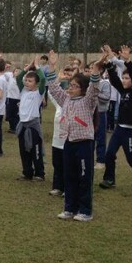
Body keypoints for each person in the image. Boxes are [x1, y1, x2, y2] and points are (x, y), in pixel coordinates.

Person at [46, 50, 103, 222]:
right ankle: (69, 208)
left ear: (83, 90)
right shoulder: (66, 100)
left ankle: (85, 210)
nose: (70, 88)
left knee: (84, 177)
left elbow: (94, 88)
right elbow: (54, 88)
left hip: (84, 143)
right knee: (69, 176)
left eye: (74, 86)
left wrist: (95, 69)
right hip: (68, 143)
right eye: (70, 85)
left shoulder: (88, 101)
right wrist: (52, 66)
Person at [99, 44, 132, 190]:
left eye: (127, 78)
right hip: (119, 130)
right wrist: (108, 64)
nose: (124, 80)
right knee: (109, 154)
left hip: (131, 131)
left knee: (131, 159)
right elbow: (114, 80)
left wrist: (127, 61)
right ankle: (109, 180)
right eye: (124, 77)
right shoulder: (123, 91)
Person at [14, 61, 47, 182]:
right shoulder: (23, 91)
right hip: (23, 125)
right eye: (26, 80)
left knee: (35, 150)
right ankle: (27, 172)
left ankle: (39, 173)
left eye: (30, 81)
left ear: (36, 83)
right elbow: (18, 78)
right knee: (24, 150)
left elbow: (43, 79)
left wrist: (37, 68)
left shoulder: (39, 93)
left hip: (33, 125)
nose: (27, 83)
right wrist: (27, 68)